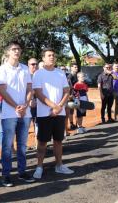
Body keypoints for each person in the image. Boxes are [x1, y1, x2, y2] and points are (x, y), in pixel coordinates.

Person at [0, 41, 35, 187]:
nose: (16, 51)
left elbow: (30, 89)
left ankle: (22, 171)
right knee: (7, 146)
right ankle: (6, 175)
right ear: (8, 52)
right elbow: (2, 90)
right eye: (13, 49)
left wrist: (25, 105)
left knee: (22, 145)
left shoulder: (25, 69)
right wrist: (16, 106)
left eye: (18, 49)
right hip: (9, 113)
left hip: (25, 113)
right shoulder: (2, 69)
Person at [32, 48, 73, 179]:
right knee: (42, 142)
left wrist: (59, 107)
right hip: (44, 113)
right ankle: (39, 167)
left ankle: (59, 165)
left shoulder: (60, 73)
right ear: (43, 58)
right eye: (49, 55)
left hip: (59, 113)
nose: (52, 57)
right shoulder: (38, 74)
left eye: (53, 55)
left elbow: (67, 91)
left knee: (58, 141)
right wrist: (54, 106)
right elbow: (38, 93)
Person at [28, 58, 39, 149]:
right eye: (32, 64)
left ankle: (37, 145)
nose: (35, 66)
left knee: (37, 125)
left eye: (36, 64)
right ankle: (22, 146)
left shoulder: (40, 76)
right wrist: (30, 99)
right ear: (28, 65)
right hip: (27, 105)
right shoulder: (25, 76)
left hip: (39, 105)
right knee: (25, 126)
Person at [66, 63, 78, 132]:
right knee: (71, 110)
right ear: (71, 68)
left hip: (76, 95)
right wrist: (70, 95)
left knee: (76, 109)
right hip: (71, 96)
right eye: (75, 67)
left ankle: (77, 124)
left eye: (76, 67)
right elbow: (69, 87)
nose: (76, 68)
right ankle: (71, 124)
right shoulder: (69, 76)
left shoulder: (77, 76)